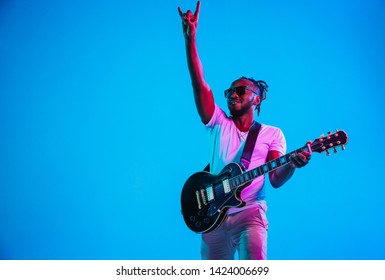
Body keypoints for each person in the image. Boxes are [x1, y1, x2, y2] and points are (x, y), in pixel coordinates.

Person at [178, 1, 311, 260]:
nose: (232, 95)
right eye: (229, 92)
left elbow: (275, 177)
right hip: (213, 217)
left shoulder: (272, 134)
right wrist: (190, 39)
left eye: (240, 91)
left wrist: (293, 164)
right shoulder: (218, 122)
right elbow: (199, 83)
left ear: (257, 99)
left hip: (250, 214)